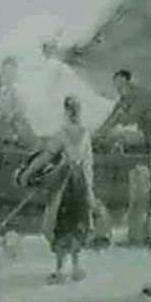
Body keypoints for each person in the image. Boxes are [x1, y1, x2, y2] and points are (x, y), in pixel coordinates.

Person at [18, 95, 96, 283]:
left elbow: (45, 157)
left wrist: (27, 174)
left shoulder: (62, 134)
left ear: (66, 112)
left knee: (59, 222)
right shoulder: (85, 133)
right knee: (77, 221)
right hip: (80, 183)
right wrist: (90, 190)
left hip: (65, 182)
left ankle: (61, 270)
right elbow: (88, 165)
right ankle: (76, 268)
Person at [93, 69, 151, 245]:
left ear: (129, 82)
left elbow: (126, 118)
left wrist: (111, 128)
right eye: (116, 85)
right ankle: (144, 234)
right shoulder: (126, 99)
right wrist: (94, 137)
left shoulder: (141, 95)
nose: (118, 88)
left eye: (121, 84)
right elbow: (111, 119)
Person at [0, 55, 37, 154]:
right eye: (7, 72)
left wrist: (14, 114)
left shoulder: (13, 90)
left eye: (12, 72)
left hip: (10, 123)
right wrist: (4, 115)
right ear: (2, 71)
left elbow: (20, 108)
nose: (9, 75)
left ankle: (31, 147)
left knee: (21, 122)